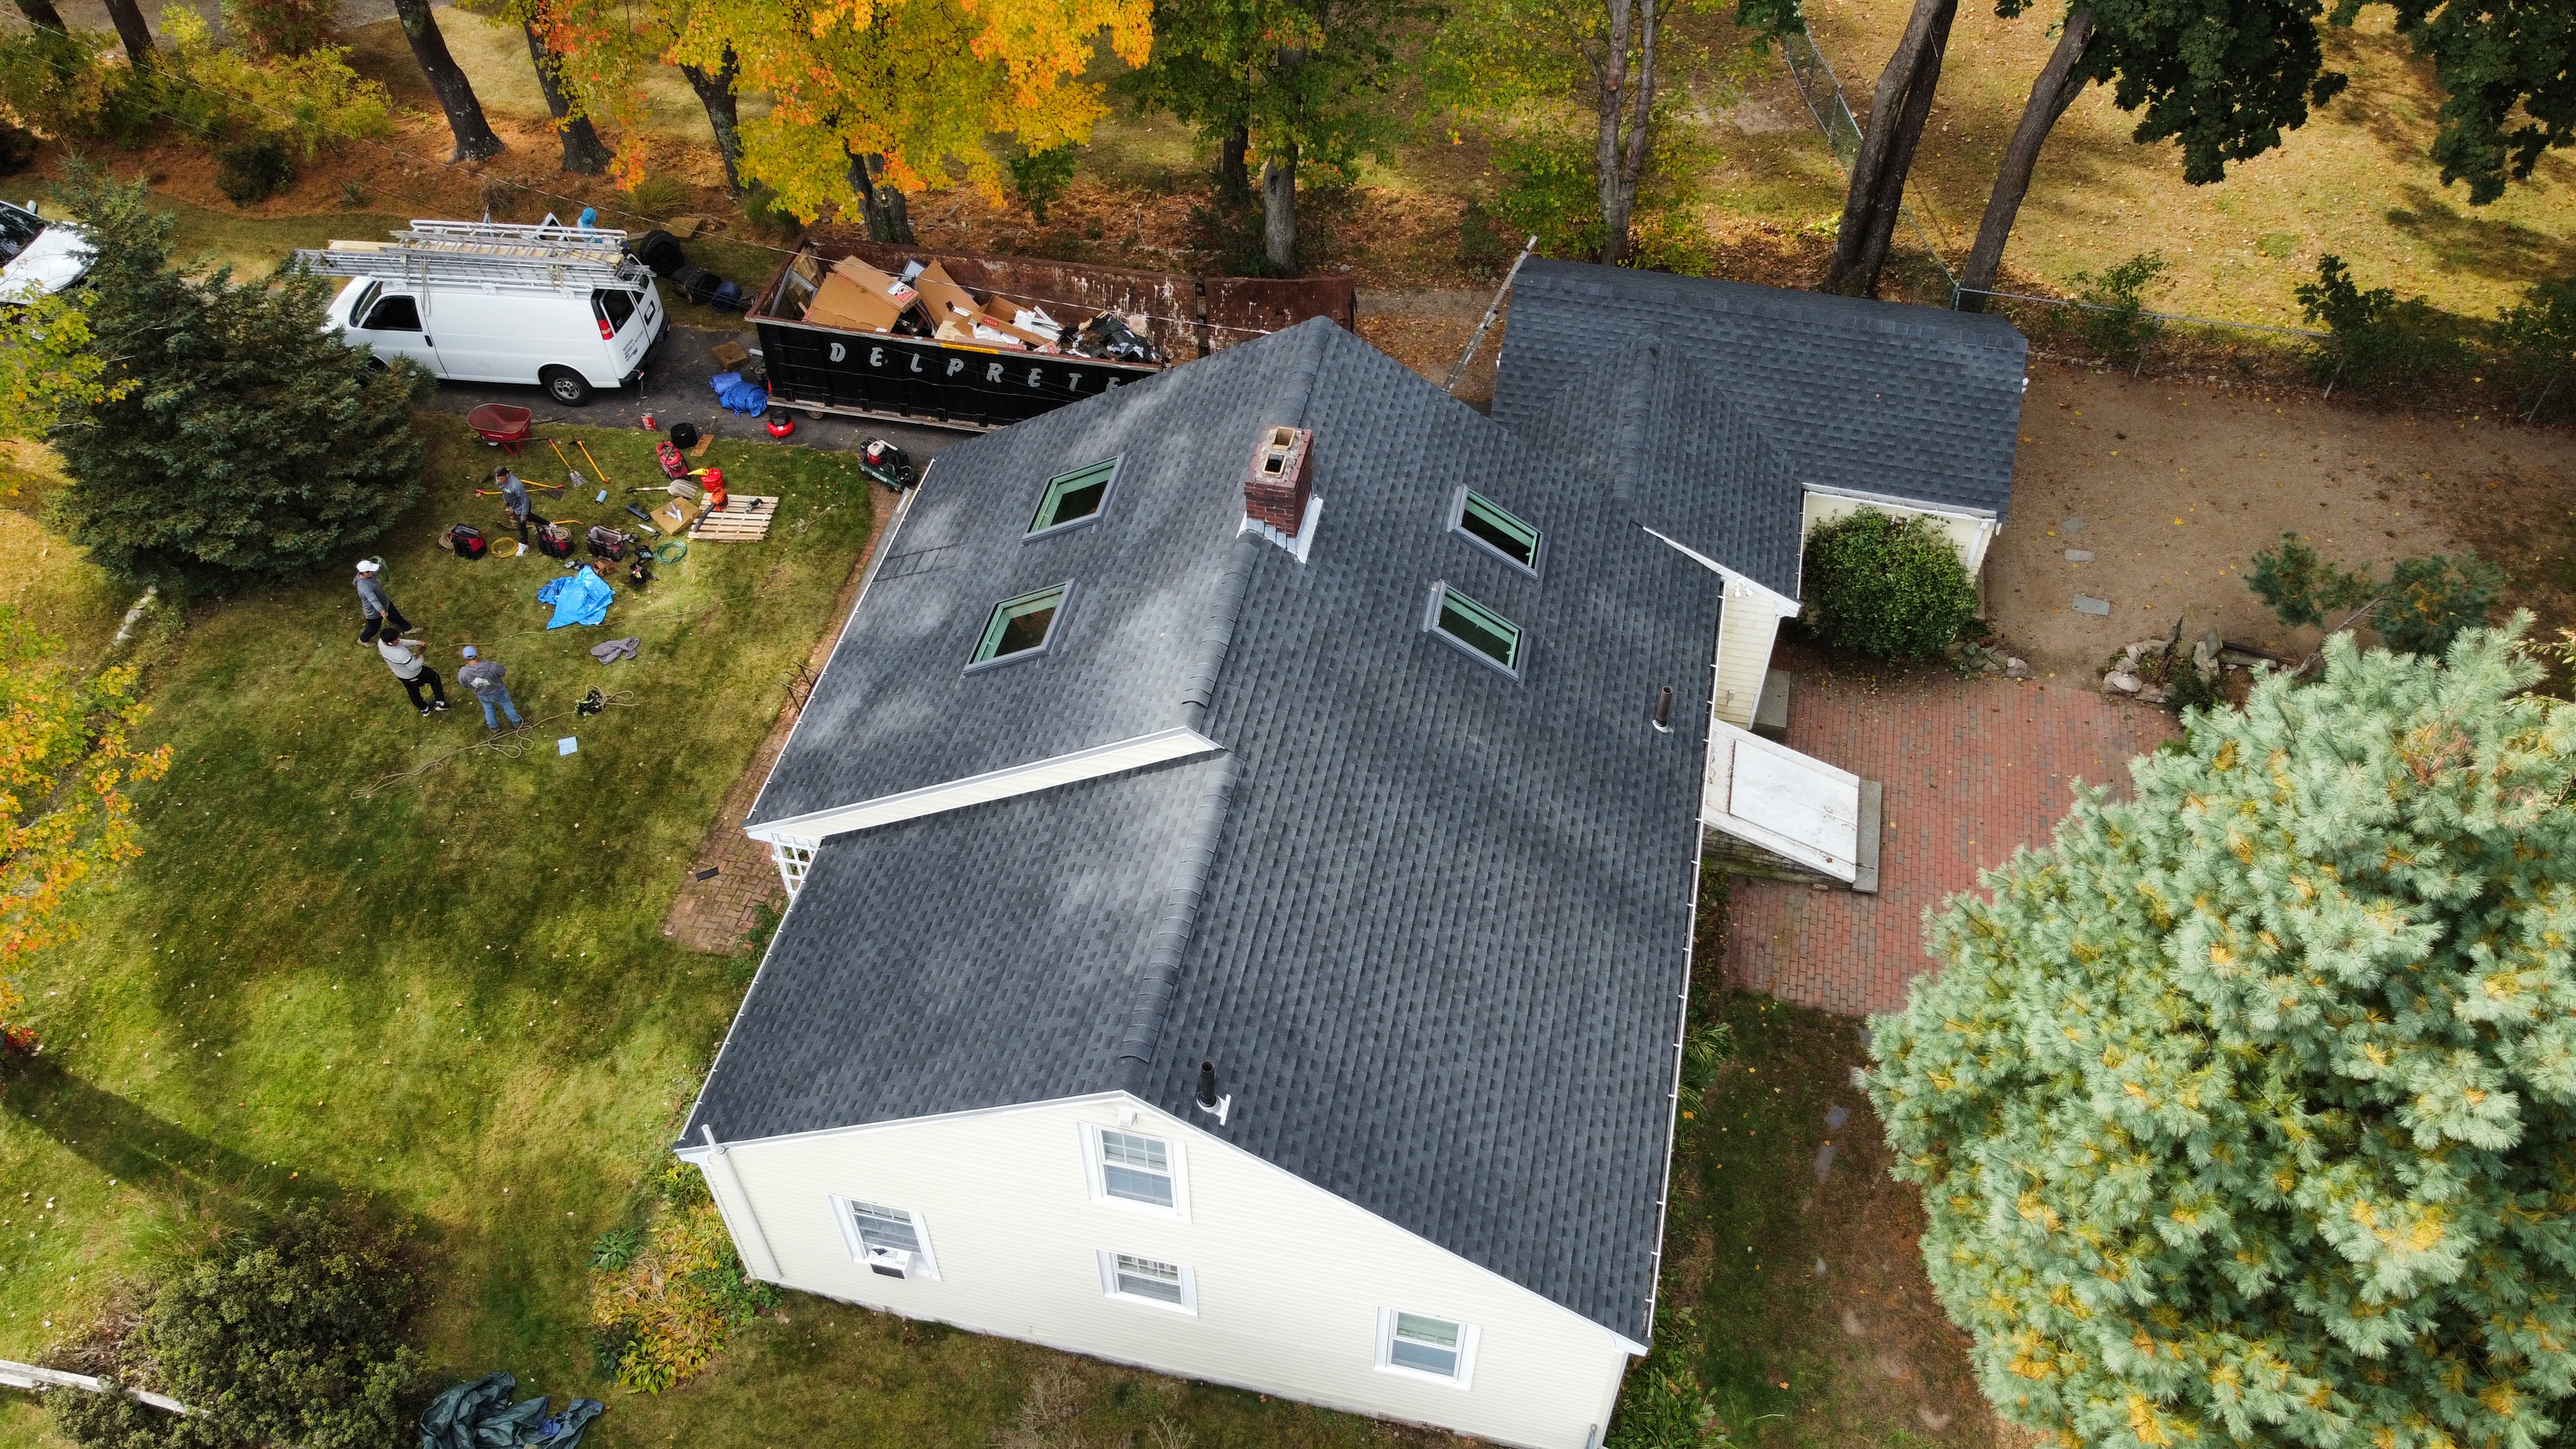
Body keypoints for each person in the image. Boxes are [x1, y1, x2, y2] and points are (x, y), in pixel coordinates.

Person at [377, 632, 448, 716]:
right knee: (435, 679)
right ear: (390, 643)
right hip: (414, 674)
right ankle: (441, 703)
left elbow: (401, 642)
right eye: (396, 640)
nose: (398, 640)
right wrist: (421, 657)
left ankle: (424, 709)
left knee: (413, 691)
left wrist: (417, 643)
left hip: (401, 674)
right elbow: (414, 667)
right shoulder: (401, 654)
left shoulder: (381, 642)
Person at [456, 645, 520, 731]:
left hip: (482, 695)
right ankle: (517, 723)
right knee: (507, 705)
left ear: (465, 658)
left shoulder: (463, 673)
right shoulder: (490, 666)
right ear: (476, 655)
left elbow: (464, 685)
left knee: (488, 709)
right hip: (498, 692)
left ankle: (494, 727)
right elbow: (502, 672)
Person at [354, 559, 412, 643]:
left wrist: (380, 563)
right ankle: (363, 640)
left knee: (396, 616)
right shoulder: (364, 587)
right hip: (374, 612)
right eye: (371, 571)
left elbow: (376, 571)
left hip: (385, 603)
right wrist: (381, 610)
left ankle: (408, 629)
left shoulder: (368, 574)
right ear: (365, 573)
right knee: (374, 627)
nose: (373, 572)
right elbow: (373, 600)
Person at [490, 466, 531, 544]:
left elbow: (525, 501)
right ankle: (547, 524)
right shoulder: (501, 481)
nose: (499, 481)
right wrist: (506, 500)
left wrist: (524, 515)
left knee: (521, 527)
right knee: (531, 517)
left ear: (507, 475)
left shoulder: (517, 486)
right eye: (498, 478)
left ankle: (524, 543)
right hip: (514, 505)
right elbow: (504, 490)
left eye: (501, 478)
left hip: (521, 508)